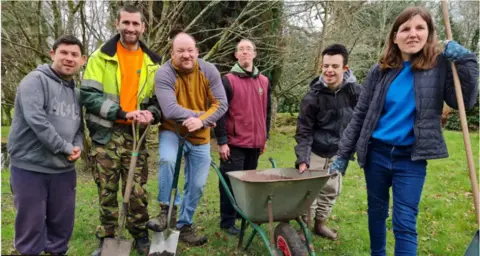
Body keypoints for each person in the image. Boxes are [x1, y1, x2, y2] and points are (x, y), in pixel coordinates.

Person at [328, 6, 479, 256]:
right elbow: (360, 115)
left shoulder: (439, 67)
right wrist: (343, 154)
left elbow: (464, 101)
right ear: (395, 36)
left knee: (405, 222)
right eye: (405, 28)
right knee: (376, 213)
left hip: (411, 158)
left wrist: (468, 62)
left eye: (420, 28)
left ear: (429, 33)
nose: (413, 34)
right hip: (376, 154)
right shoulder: (381, 70)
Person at [80, 5, 162, 256]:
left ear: (143, 27)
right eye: (126, 23)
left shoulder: (154, 62)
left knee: (137, 190)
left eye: (135, 24)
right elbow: (88, 96)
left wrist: (152, 114)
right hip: (106, 134)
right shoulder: (99, 57)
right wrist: (124, 113)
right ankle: (107, 236)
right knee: (107, 189)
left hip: (135, 136)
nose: (130, 28)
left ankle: (139, 235)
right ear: (117, 24)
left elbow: (159, 100)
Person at [146, 32, 228, 246]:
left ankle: (184, 225)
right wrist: (202, 117)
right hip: (172, 130)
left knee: (198, 184)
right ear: (172, 53)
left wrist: (201, 122)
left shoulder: (209, 70)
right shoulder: (164, 73)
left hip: (200, 137)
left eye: (190, 50)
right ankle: (166, 211)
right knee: (167, 160)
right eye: (180, 51)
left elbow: (221, 103)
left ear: (197, 52)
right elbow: (170, 109)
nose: (186, 55)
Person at [8, 35, 86, 256]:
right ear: (53, 54)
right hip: (30, 168)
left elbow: (78, 128)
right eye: (64, 53)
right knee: (31, 227)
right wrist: (64, 147)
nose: (69, 58)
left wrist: (77, 146)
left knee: (61, 227)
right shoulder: (34, 81)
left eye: (74, 55)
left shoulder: (76, 92)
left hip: (63, 171)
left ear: (82, 60)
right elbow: (37, 121)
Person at [294, 44, 360, 240]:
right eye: (325, 66)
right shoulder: (312, 97)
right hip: (315, 150)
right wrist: (303, 158)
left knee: (331, 190)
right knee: (309, 192)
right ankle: (305, 228)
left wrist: (352, 150)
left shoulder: (356, 93)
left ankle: (319, 224)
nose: (329, 70)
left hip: (339, 152)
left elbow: (362, 121)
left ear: (345, 69)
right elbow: (304, 130)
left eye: (335, 66)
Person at [214, 39, 272, 235]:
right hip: (234, 143)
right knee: (230, 183)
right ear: (236, 55)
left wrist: (265, 137)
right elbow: (220, 112)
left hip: (255, 143)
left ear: (255, 54)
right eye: (241, 49)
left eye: (249, 49)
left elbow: (268, 111)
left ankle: (240, 213)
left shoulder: (264, 81)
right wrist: (222, 141)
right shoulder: (228, 80)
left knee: (247, 183)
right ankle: (227, 221)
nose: (245, 52)